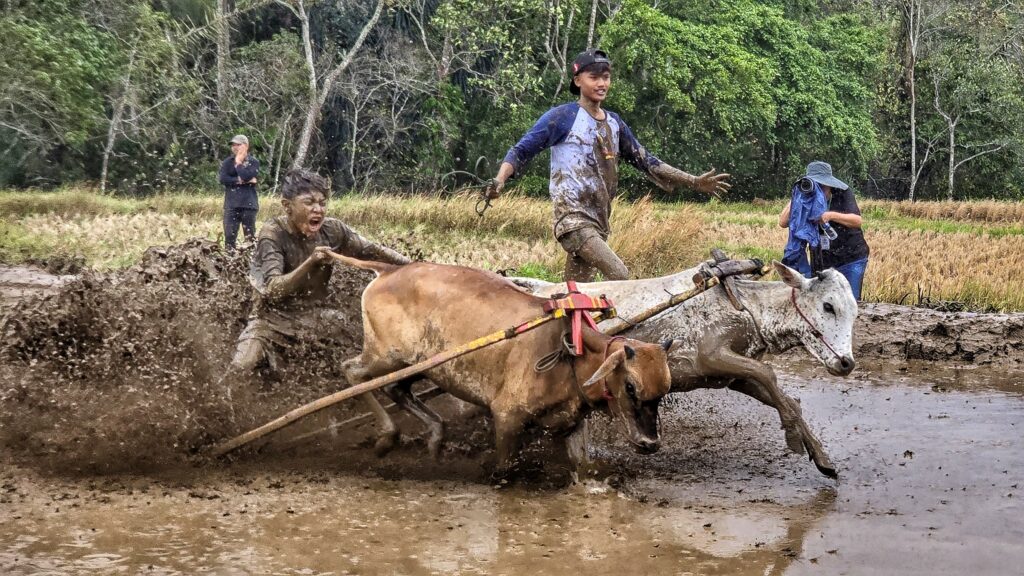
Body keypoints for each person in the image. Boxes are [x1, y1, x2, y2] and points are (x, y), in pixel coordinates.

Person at [487, 49, 731, 282]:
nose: (601, 83)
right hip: (573, 222)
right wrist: (499, 181)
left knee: (578, 296)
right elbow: (521, 150)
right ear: (578, 80)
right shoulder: (562, 117)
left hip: (599, 222)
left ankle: (568, 324)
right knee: (619, 274)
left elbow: (648, 162)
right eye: (594, 77)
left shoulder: (615, 123)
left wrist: (693, 181)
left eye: (606, 77)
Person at [225, 168, 411, 451]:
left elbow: (375, 251)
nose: (318, 209)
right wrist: (310, 263)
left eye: (322, 202)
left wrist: (420, 269)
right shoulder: (272, 234)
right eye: (309, 202)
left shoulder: (333, 231)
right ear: (288, 206)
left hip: (317, 316)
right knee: (241, 367)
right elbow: (274, 288)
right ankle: (221, 422)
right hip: (272, 320)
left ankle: (382, 417)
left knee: (372, 354)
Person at [778, 160, 870, 299]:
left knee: (850, 301)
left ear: (830, 184)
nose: (820, 190)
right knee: (823, 303)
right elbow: (783, 222)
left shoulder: (842, 193)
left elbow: (857, 221)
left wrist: (830, 216)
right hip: (822, 260)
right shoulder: (804, 198)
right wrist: (798, 196)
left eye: (822, 186)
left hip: (851, 256)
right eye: (817, 186)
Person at [218, 134, 260, 251]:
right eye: (233, 145)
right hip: (231, 205)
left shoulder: (253, 162)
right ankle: (229, 262)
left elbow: (247, 175)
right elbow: (223, 179)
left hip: (248, 205)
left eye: (238, 144)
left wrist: (238, 162)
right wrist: (239, 180)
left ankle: (249, 261)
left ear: (246, 146)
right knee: (229, 237)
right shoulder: (227, 162)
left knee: (250, 238)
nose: (235, 147)